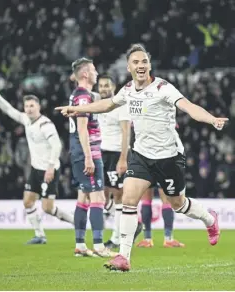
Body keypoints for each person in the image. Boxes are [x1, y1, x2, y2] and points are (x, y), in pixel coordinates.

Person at [56, 44, 225, 271]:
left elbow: (189, 107)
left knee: (178, 204)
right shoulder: (126, 90)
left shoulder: (163, 88)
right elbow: (107, 104)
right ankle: (124, 256)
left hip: (169, 157)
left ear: (149, 65)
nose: (141, 65)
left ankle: (210, 220)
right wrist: (76, 110)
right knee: (128, 198)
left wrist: (211, 119)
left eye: (144, 61)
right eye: (136, 62)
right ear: (129, 67)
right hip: (142, 155)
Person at [0, 86, 74, 245]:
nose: (29, 109)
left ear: (38, 107)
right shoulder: (26, 120)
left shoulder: (45, 124)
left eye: (32, 106)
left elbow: (57, 146)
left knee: (47, 208)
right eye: (26, 106)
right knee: (27, 202)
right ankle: (40, 235)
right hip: (35, 169)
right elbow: (9, 110)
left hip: (50, 169)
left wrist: (50, 167)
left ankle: (75, 222)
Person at [68, 58, 116, 257]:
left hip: (80, 153)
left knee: (83, 199)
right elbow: (81, 128)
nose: (97, 73)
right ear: (86, 74)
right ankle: (99, 246)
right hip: (87, 154)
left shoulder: (81, 95)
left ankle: (80, 245)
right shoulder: (83, 97)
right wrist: (88, 157)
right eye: (94, 70)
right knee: (98, 198)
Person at [96, 74, 142, 249]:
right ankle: (132, 225)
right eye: (101, 86)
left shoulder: (121, 106)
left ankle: (116, 238)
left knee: (118, 196)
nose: (104, 89)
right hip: (103, 154)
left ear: (114, 87)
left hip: (117, 154)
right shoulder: (99, 104)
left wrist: (123, 158)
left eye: (107, 85)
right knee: (105, 194)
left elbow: (126, 133)